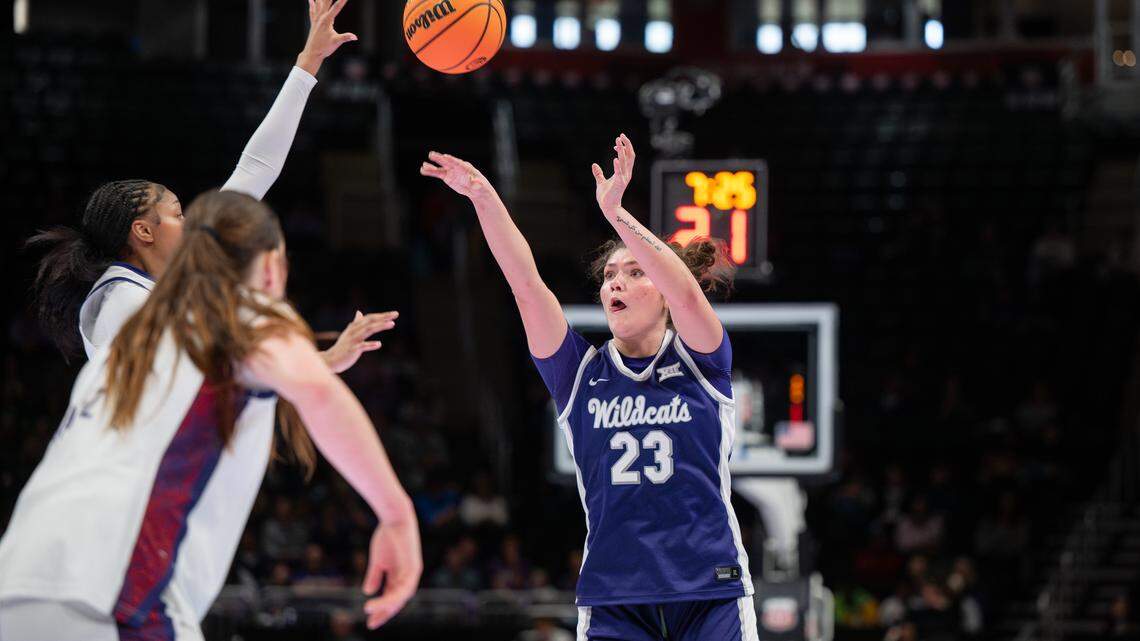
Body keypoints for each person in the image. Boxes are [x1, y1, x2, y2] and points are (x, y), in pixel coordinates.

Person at [0, 190, 421, 640]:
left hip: (19, 580)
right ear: (271, 266)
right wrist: (397, 516)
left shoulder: (132, 339)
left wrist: (321, 360)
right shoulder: (236, 313)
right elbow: (316, 393)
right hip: (114, 591)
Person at [422, 134, 758, 640]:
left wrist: (617, 212)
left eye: (633, 272)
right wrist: (484, 199)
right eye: (608, 275)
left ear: (662, 294)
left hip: (710, 590)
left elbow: (687, 293)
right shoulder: (579, 373)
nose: (614, 283)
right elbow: (526, 284)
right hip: (615, 597)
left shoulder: (701, 359)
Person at [27, 0, 389, 369]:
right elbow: (219, 371)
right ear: (143, 231)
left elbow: (256, 168)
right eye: (177, 215)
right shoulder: (121, 304)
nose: (190, 222)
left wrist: (308, 62)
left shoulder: (150, 290)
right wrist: (320, 363)